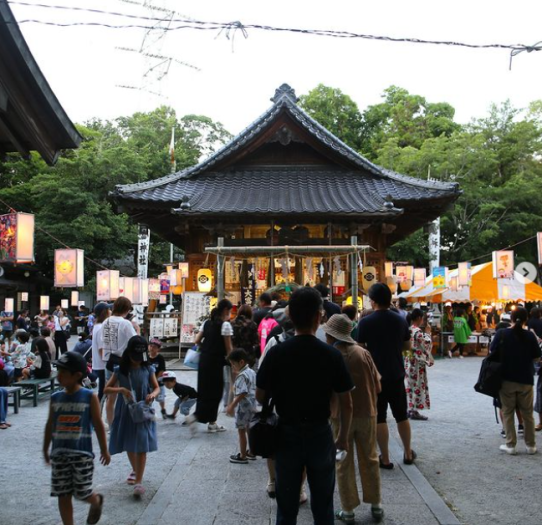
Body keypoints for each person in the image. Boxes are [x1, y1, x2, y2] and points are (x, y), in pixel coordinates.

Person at [257, 287, 354, 524]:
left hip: (286, 431)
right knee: (323, 504)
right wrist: (342, 437)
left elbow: (260, 396)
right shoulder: (331, 355)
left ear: (290, 315)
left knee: (286, 506)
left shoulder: (277, 352)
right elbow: (346, 402)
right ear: (319, 316)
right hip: (320, 432)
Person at [323, 314, 384, 523]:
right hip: (367, 411)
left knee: (343, 462)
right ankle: (376, 505)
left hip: (339, 415)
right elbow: (378, 386)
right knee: (370, 457)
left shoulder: (330, 356)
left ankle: (348, 510)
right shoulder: (363, 353)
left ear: (331, 335)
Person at [43, 351, 110, 525]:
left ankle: (95, 501)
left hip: (82, 454)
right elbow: (50, 424)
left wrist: (104, 450)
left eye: (63, 372)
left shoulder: (90, 397)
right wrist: (45, 448)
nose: (59, 376)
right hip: (59, 454)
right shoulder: (55, 398)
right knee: (62, 493)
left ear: (77, 375)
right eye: (58, 371)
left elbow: (98, 424)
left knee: (82, 492)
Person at [356, 283, 415, 469]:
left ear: (372, 301)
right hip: (396, 373)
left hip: (375, 376)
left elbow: (360, 348)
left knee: (379, 416)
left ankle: (386, 458)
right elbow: (408, 347)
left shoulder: (365, 322)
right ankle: (407, 452)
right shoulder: (400, 320)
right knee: (401, 415)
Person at [104, 336, 159, 497]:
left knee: (142, 443)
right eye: (133, 358)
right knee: (129, 442)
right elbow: (106, 389)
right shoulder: (119, 370)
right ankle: (135, 469)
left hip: (142, 410)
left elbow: (156, 387)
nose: (136, 361)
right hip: (126, 410)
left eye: (139, 358)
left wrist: (152, 395)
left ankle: (138, 482)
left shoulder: (148, 369)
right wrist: (120, 390)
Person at [490, 307, 541, 455]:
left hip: (506, 378)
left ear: (511, 318)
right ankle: (531, 445)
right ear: (526, 319)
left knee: (507, 412)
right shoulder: (530, 336)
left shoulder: (501, 334)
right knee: (528, 414)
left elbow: (492, 353)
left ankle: (511, 445)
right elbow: (537, 357)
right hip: (526, 379)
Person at [187, 299, 233, 433]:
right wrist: (233, 364)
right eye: (230, 311)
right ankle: (196, 417)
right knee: (216, 392)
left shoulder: (206, 323)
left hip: (204, 360)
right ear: (226, 310)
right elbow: (229, 348)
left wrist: (206, 349)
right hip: (216, 362)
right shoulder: (225, 325)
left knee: (204, 391)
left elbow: (196, 341)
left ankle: (212, 422)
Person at [101, 297, 136, 426]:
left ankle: (111, 425)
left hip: (109, 361)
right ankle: (131, 421)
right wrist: (137, 329)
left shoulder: (106, 322)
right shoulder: (125, 323)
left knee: (111, 396)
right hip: (123, 362)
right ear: (127, 309)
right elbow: (135, 341)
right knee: (129, 393)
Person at [226, 348, 257, 464]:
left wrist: (232, 405)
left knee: (241, 431)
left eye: (233, 364)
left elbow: (242, 392)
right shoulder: (251, 372)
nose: (233, 367)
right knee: (249, 429)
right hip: (252, 406)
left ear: (241, 362)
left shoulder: (241, 376)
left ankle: (243, 455)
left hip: (243, 408)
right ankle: (252, 452)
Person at [405, 309, 434, 421]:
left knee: (410, 386)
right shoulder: (417, 332)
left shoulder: (408, 330)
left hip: (409, 360)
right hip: (416, 363)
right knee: (417, 385)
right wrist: (428, 333)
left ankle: (410, 408)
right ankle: (414, 410)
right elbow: (426, 344)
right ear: (418, 318)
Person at [91, 303, 110, 402]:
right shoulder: (101, 327)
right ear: (105, 312)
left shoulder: (97, 326)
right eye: (109, 310)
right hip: (103, 365)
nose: (110, 312)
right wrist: (108, 362)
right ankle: (97, 413)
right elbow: (101, 348)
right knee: (103, 391)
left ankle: (97, 412)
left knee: (103, 390)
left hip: (99, 364)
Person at [147, 338, 167, 419]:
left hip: (158, 382)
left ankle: (163, 409)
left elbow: (162, 370)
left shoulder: (160, 358)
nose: (152, 348)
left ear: (158, 349)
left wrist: (155, 379)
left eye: (154, 347)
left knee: (160, 398)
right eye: (151, 346)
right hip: (148, 382)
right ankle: (150, 411)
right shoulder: (146, 357)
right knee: (149, 397)